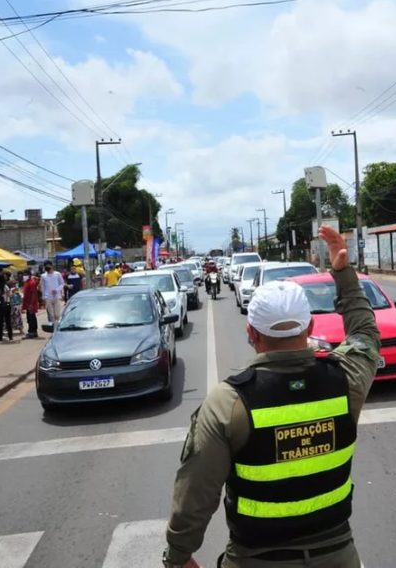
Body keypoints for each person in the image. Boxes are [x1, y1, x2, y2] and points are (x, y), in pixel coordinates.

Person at [163, 226, 380, 568]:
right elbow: (366, 333)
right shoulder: (347, 379)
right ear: (310, 329)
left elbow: (195, 495)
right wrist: (343, 274)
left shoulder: (227, 402)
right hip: (338, 555)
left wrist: (178, 556)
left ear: (251, 333)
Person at [22, 270, 40, 339]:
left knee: (31, 318)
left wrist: (31, 304)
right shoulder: (27, 282)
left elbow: (33, 293)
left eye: (25, 274)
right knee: (30, 317)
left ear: (29, 275)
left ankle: (32, 332)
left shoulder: (32, 282)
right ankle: (33, 331)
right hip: (27, 303)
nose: (24, 276)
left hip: (31, 303)